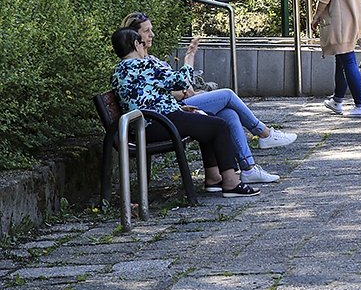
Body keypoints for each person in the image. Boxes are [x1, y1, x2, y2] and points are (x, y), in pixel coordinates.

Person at [121, 12, 293, 186]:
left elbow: (159, 91)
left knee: (228, 113)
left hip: (169, 110)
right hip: (164, 116)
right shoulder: (139, 65)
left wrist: (183, 91)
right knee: (227, 96)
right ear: (135, 38)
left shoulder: (145, 61)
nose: (152, 34)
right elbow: (173, 87)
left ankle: (248, 169)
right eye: (146, 31)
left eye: (151, 29)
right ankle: (263, 133)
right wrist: (189, 59)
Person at [110, 28, 260, 198]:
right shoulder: (143, 65)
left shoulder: (118, 71)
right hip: (158, 123)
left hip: (144, 125)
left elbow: (145, 97)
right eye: (141, 42)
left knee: (207, 119)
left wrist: (179, 107)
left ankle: (213, 178)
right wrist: (189, 58)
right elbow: (181, 81)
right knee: (219, 125)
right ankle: (231, 182)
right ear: (136, 44)